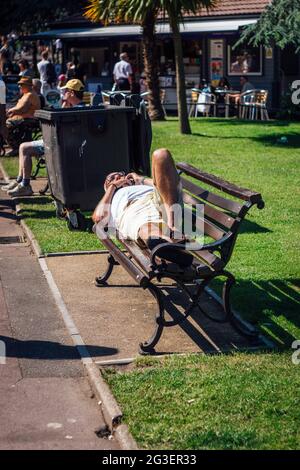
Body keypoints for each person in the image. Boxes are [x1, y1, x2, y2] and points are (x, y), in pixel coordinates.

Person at [92, 148, 194, 268]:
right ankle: (170, 246)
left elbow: (166, 184)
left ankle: (172, 232)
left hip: (162, 203)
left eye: (121, 175)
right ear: (106, 187)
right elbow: (98, 218)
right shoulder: (113, 198)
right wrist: (113, 187)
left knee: (161, 154)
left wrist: (141, 179)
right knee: (147, 230)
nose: (119, 177)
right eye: (112, 178)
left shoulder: (141, 185)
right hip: (133, 210)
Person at [2, 79, 86, 197]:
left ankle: (25, 186)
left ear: (71, 93)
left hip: (60, 145)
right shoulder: (81, 107)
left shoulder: (74, 110)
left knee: (25, 148)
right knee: (23, 146)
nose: (64, 93)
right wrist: (65, 105)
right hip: (63, 142)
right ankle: (20, 182)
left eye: (66, 91)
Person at [5, 76, 41, 156]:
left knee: (6, 125)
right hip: (24, 118)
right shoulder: (27, 94)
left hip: (29, 119)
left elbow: (22, 108)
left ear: (27, 86)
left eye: (21, 85)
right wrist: (10, 111)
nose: (19, 86)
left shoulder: (30, 95)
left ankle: (16, 148)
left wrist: (10, 111)